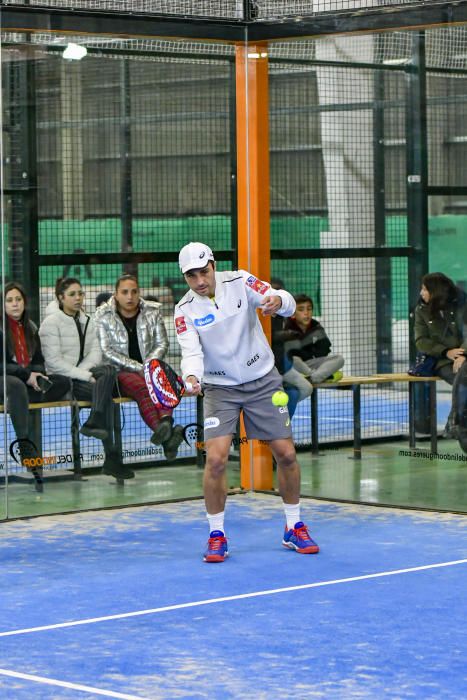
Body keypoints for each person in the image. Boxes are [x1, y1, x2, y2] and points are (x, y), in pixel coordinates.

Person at [174, 241, 319, 562]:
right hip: (220, 389)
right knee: (216, 460)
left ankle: (293, 526)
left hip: (262, 379)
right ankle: (216, 534)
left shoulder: (240, 281)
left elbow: (287, 302)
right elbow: (191, 353)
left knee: (286, 454)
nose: (200, 280)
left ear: (213, 265)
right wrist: (192, 378)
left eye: (204, 271)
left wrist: (277, 300)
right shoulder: (183, 310)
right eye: (191, 275)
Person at [39, 278, 131, 480]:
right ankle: (111, 459)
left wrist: (85, 373)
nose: (78, 298)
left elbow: (95, 354)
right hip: (63, 380)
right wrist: (84, 376)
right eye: (72, 294)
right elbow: (53, 362)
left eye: (80, 293)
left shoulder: (88, 320)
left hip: (83, 376)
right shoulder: (50, 323)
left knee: (107, 370)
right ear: (61, 297)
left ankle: (95, 419)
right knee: (104, 396)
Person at [95, 274, 184, 461]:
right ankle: (168, 436)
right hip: (119, 372)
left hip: (149, 367)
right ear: (116, 294)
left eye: (134, 292)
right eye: (125, 292)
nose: (130, 297)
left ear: (139, 293)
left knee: (162, 381)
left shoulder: (153, 312)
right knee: (144, 389)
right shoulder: (103, 316)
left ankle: (166, 425)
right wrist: (137, 367)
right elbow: (106, 351)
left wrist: (149, 366)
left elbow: (162, 343)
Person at [0, 282, 70, 491]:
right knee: (15, 386)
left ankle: (22, 401)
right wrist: (26, 374)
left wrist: (37, 374)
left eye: (18, 300)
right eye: (10, 300)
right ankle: (23, 443)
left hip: (24, 383)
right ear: (2, 304)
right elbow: (2, 365)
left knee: (62, 381)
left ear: (24, 303)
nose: (15, 305)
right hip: (5, 380)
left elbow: (38, 359)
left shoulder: (31, 327)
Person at [414, 272, 467, 439]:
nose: (421, 293)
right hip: (441, 360)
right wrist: (446, 352)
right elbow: (421, 341)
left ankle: (454, 421)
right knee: (463, 379)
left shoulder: (462, 303)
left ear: (435, 291)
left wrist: (463, 354)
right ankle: (457, 422)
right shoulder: (421, 310)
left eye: (425, 289)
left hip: (464, 357)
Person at [280, 294, 344, 403]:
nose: (306, 313)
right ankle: (320, 376)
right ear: (293, 314)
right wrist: (309, 351)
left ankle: (312, 377)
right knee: (295, 359)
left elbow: (325, 348)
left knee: (339, 358)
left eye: (309, 309)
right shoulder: (286, 328)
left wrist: (310, 353)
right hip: (294, 366)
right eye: (301, 310)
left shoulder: (316, 327)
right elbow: (289, 353)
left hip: (310, 364)